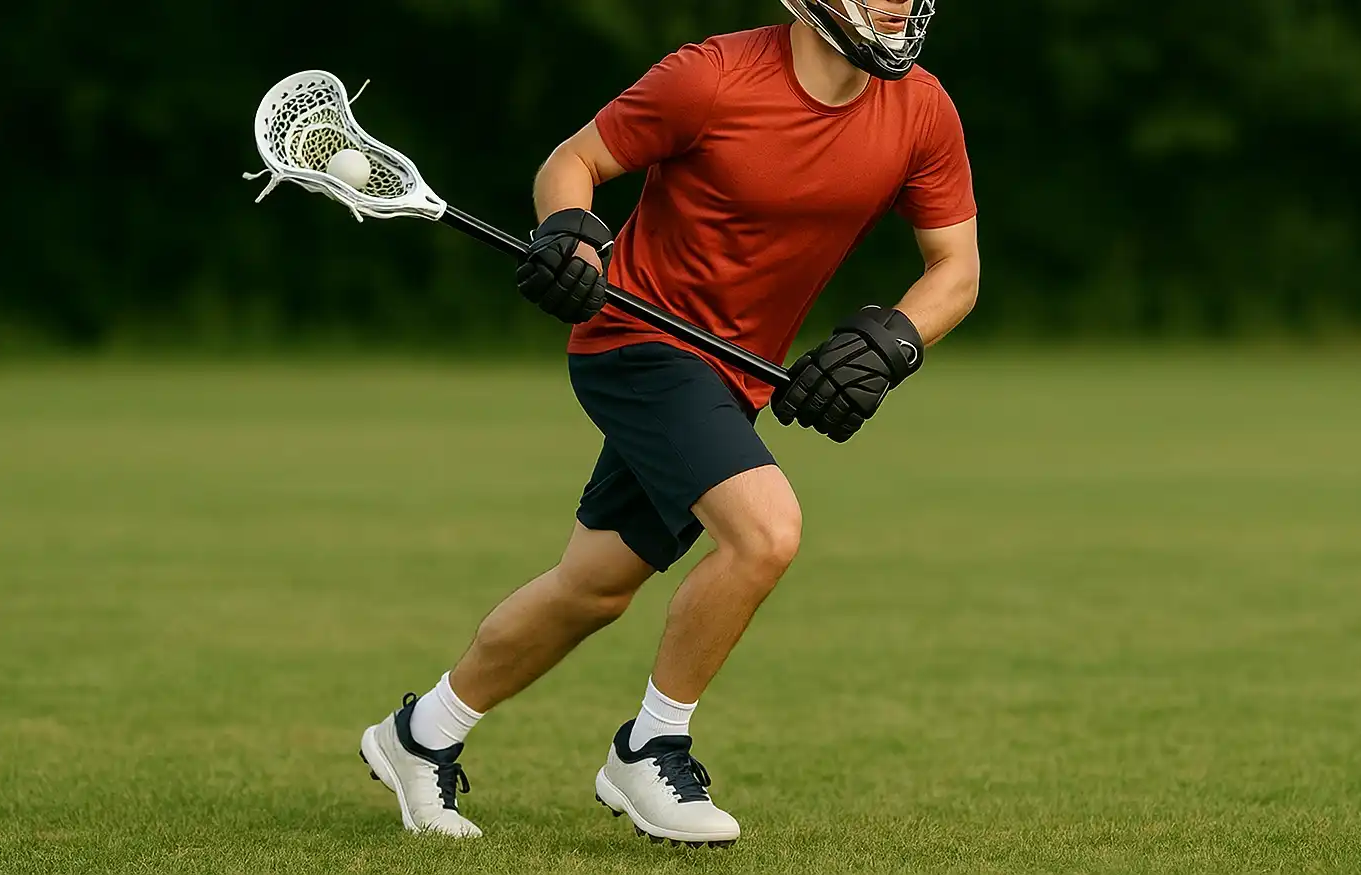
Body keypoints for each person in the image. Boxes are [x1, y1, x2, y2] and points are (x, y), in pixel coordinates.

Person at [359, 0, 979, 848]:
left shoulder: (923, 111)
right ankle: (650, 746)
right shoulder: (710, 77)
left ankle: (418, 734)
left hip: (729, 379)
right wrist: (573, 238)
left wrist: (890, 344)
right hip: (635, 343)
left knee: (593, 586)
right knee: (766, 533)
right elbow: (571, 162)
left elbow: (957, 268)